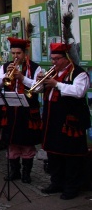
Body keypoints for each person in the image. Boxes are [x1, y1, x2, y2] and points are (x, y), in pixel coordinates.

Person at [38, 43, 90, 200]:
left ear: (66, 58)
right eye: (52, 58)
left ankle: (71, 187)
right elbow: (42, 91)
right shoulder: (52, 72)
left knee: (71, 155)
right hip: (52, 120)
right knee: (53, 154)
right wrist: (41, 82)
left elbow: (78, 92)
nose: (54, 62)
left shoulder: (79, 73)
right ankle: (56, 182)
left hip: (69, 121)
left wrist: (57, 84)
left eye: (57, 59)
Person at [0, 37, 43, 184]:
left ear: (25, 53)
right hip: (10, 110)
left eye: (18, 53)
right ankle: (14, 171)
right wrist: (4, 76)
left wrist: (22, 78)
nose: (15, 57)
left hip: (27, 111)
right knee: (11, 142)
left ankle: (26, 174)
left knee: (27, 142)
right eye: (13, 53)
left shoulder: (35, 67)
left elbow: (39, 87)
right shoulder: (5, 66)